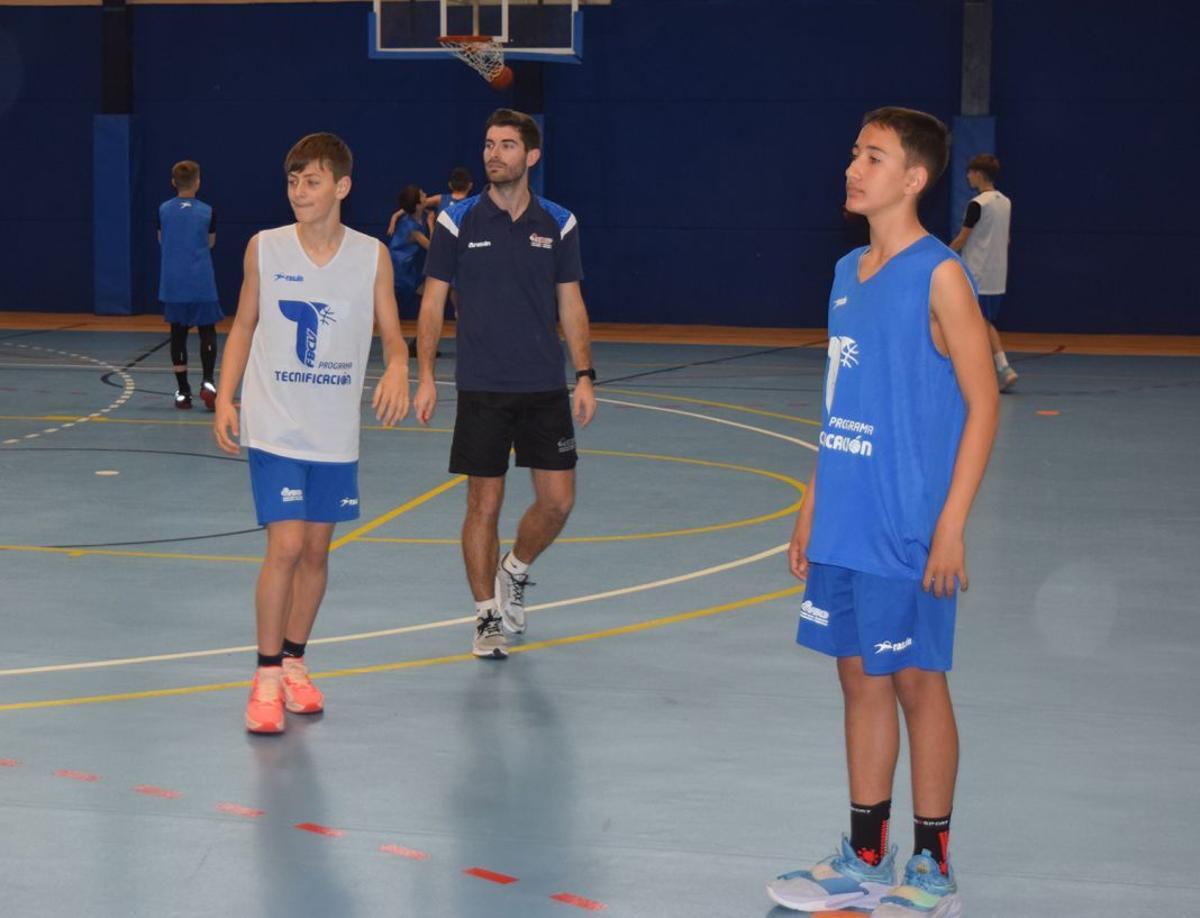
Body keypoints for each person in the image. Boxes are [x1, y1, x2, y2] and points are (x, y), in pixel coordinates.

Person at [766, 108, 998, 917]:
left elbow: (982, 405)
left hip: (907, 527)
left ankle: (931, 866)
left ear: (914, 179)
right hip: (844, 522)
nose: (853, 167)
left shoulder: (940, 275)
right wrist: (810, 502)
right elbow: (840, 401)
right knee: (858, 679)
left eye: (873, 156)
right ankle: (867, 855)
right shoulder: (844, 273)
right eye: (853, 152)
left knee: (916, 683)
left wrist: (952, 524)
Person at [212, 132, 410, 734]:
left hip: (333, 431)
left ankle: (296, 662)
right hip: (274, 425)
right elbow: (244, 325)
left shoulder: (370, 255)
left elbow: (392, 336)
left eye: (313, 180)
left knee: (318, 551)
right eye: (293, 181)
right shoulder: (264, 249)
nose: (300, 191)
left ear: (342, 187)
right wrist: (226, 393)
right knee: (287, 547)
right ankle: (266, 675)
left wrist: (400, 366)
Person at [413, 108, 596, 660]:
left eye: (508, 145)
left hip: (543, 384)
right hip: (483, 386)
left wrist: (584, 375)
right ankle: (486, 616)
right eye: (489, 144)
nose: (494, 153)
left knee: (558, 502)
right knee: (482, 504)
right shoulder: (456, 221)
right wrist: (424, 375)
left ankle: (513, 569)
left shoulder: (559, 223)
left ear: (531, 157)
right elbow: (432, 300)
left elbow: (572, 302)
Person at [157, 160, 221, 410]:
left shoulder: (163, 210)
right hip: (201, 281)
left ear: (174, 182)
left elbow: (162, 239)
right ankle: (207, 382)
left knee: (178, 334)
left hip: (174, 283)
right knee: (207, 330)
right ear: (198, 182)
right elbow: (211, 243)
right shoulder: (208, 211)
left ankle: (183, 392)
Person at [950, 153, 1016, 390]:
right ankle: (1002, 368)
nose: (968, 176)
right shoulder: (1005, 202)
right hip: (997, 276)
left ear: (978, 174)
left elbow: (963, 238)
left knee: (973, 323)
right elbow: (1006, 238)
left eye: (970, 172)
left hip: (975, 273)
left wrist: (942, 255)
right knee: (982, 322)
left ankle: (993, 369)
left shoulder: (977, 204)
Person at [385, 184, 431, 319]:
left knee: (424, 290)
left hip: (405, 264)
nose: (426, 195)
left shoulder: (412, 211)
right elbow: (433, 249)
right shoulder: (414, 230)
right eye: (423, 196)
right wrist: (431, 223)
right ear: (417, 206)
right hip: (399, 268)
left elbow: (400, 211)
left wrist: (393, 219)